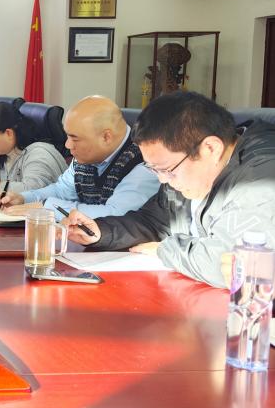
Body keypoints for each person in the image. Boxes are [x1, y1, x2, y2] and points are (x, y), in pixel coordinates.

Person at [63, 92, 275, 288]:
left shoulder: (261, 178)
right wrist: (101, 232)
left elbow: (234, 264)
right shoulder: (187, 170)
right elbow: (154, 222)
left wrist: (165, 250)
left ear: (211, 148)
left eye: (167, 170)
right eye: (154, 169)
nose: (163, 180)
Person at [0, 95, 159, 217]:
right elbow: (61, 191)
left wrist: (48, 207)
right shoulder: (86, 157)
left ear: (106, 137)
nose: (67, 145)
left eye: (75, 138)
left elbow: (115, 214)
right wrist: (24, 199)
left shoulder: (146, 161)